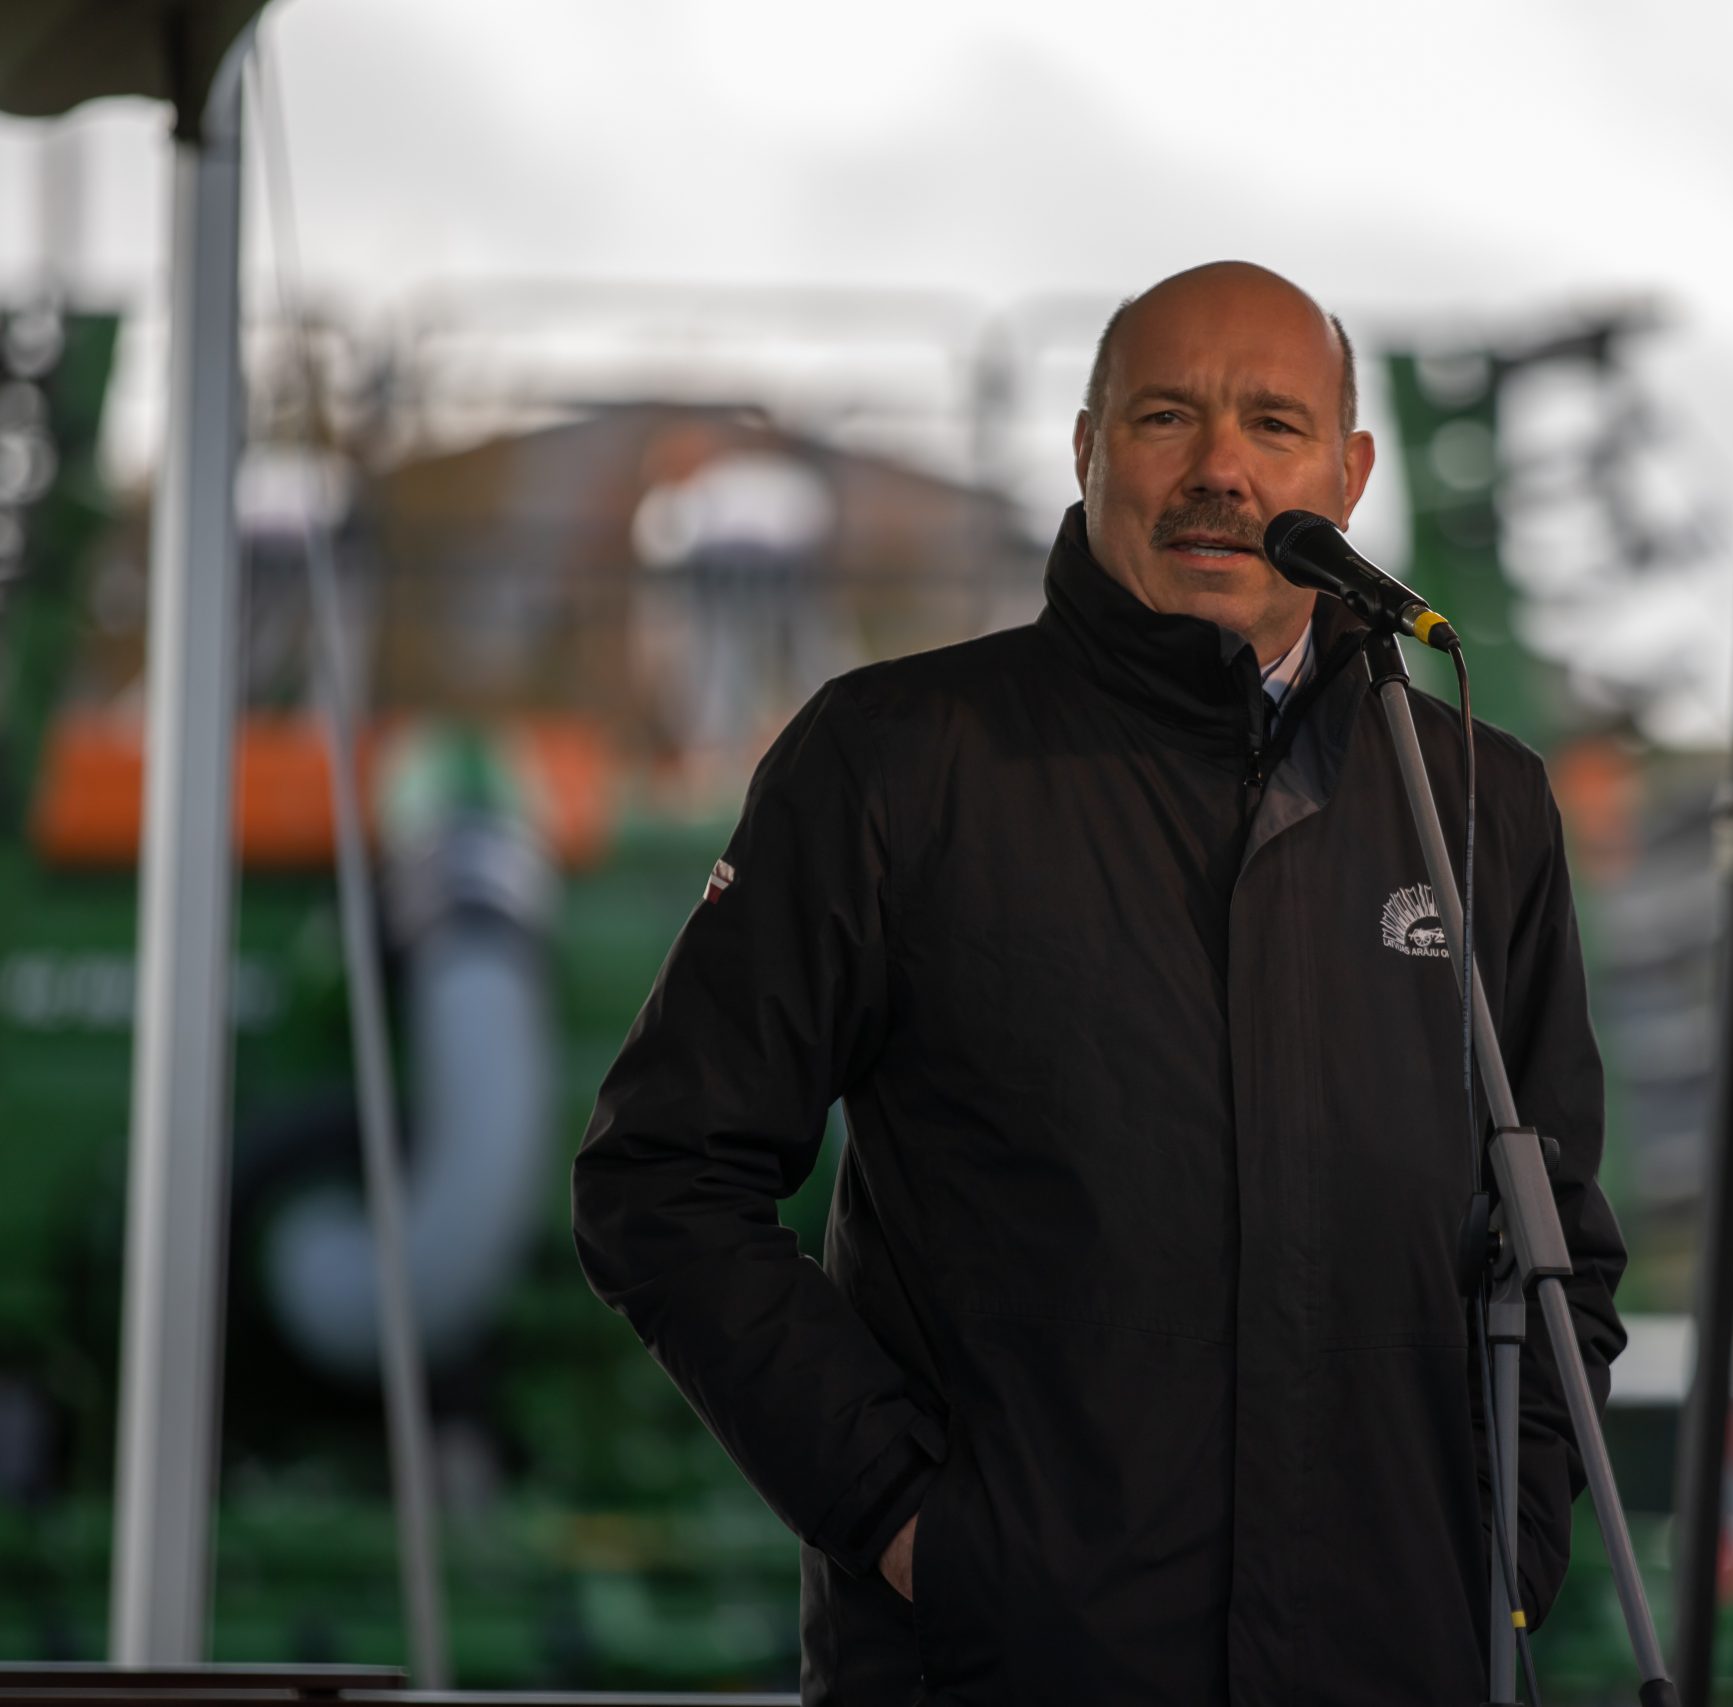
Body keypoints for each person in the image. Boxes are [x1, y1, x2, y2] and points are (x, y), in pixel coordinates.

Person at [571, 261, 1627, 1706]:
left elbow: (1559, 1240)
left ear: (1350, 473)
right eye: (1165, 418)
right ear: (1085, 449)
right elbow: (663, 1177)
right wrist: (915, 1527)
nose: (1220, 472)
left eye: (1274, 425)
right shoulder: (897, 759)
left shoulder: (1476, 802)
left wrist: (1504, 1560)